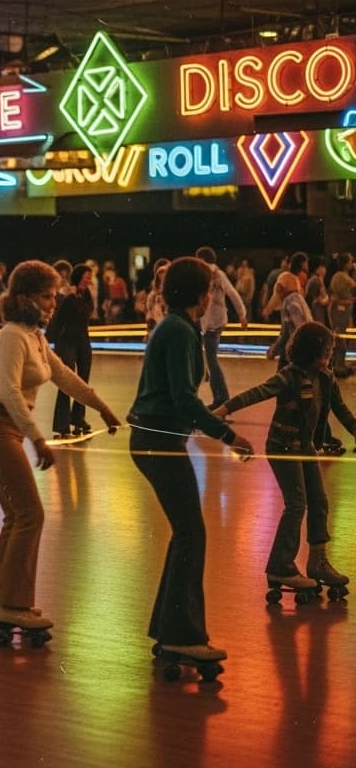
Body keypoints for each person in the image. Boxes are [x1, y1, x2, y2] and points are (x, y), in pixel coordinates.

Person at [0, 260, 120, 635]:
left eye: (54, 296)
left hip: (6, 431)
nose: (54, 303)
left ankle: (0, 601)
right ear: (24, 297)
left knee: (17, 517)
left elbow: (65, 376)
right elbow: (9, 392)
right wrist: (37, 437)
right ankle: (12, 606)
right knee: (30, 515)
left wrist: (103, 408)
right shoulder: (11, 336)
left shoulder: (34, 335)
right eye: (46, 296)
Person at [128, 256, 254, 665]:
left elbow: (177, 397)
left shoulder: (175, 327)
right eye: (209, 288)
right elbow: (183, 398)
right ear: (200, 294)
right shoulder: (180, 331)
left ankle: (171, 630)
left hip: (154, 436)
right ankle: (181, 635)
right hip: (159, 439)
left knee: (187, 532)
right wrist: (229, 435)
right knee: (191, 533)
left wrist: (206, 421)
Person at [214, 322, 352, 601]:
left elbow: (343, 413)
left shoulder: (326, 379)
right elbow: (258, 392)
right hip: (283, 447)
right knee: (297, 503)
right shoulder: (289, 376)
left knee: (319, 500)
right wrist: (224, 409)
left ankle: (317, 561)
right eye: (325, 353)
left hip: (306, 448)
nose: (328, 358)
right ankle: (281, 566)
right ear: (310, 353)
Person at [195, 245, 248, 409]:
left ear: (203, 259)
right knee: (209, 360)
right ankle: (218, 395)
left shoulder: (215, 274)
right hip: (210, 322)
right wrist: (242, 315)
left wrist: (242, 314)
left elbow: (232, 293)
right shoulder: (211, 274)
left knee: (211, 360)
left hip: (213, 323)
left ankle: (222, 398)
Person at [47, 263, 96, 438]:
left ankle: (78, 419)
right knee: (67, 381)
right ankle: (62, 423)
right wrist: (47, 341)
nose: (90, 279)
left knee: (83, 381)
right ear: (79, 277)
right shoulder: (67, 296)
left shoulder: (87, 294)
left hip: (82, 340)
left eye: (90, 276)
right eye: (87, 276)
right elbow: (58, 319)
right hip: (66, 341)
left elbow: (89, 313)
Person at [327, 252, 355, 378]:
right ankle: (338, 366)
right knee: (340, 337)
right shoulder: (342, 278)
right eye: (350, 262)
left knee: (340, 336)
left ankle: (338, 364)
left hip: (343, 310)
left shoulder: (337, 276)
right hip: (340, 310)